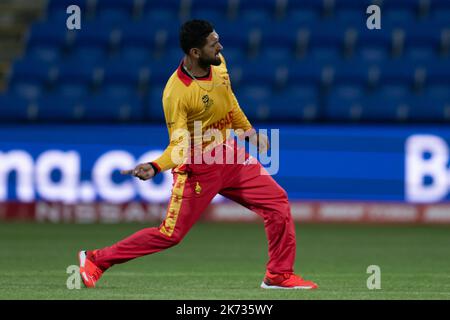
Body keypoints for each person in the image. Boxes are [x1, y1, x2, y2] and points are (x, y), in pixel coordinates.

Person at [78, 19, 317, 290]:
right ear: (195, 52)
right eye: (214, 44)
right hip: (198, 167)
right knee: (170, 235)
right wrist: (156, 167)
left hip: (230, 155)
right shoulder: (176, 93)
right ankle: (96, 259)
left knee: (277, 202)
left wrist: (248, 132)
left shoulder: (218, 63)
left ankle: (279, 275)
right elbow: (178, 147)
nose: (220, 47)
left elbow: (230, 101)